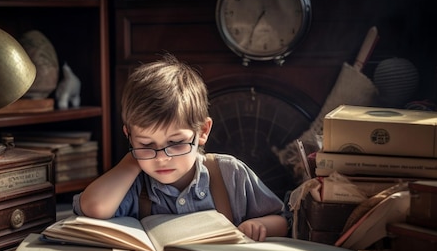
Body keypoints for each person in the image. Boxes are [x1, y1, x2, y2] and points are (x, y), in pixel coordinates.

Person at [72, 53, 289, 241]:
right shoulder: (134, 184)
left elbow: (282, 220)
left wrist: (259, 227)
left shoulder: (230, 174)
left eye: (175, 143)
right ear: (129, 136)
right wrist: (133, 158)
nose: (161, 158)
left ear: (203, 131)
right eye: (147, 143)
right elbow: (94, 207)